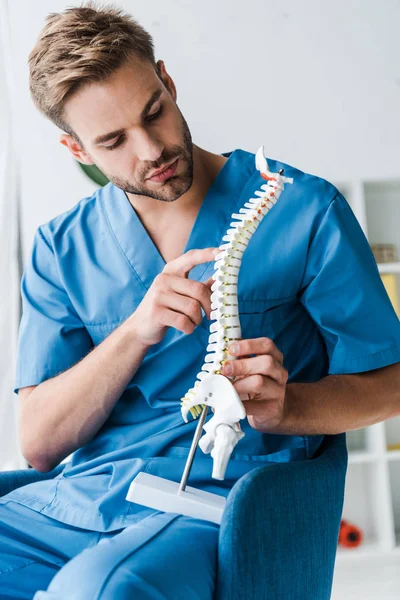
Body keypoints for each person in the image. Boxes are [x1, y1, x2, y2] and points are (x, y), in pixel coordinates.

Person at [0, 3, 399, 599]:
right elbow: (39, 443)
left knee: (96, 589)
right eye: (112, 140)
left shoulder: (304, 211)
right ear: (77, 149)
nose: (151, 149)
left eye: (154, 112)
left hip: (220, 507)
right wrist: (136, 329)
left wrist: (284, 407)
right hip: (79, 501)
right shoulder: (61, 248)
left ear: (168, 80)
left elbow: (390, 381)